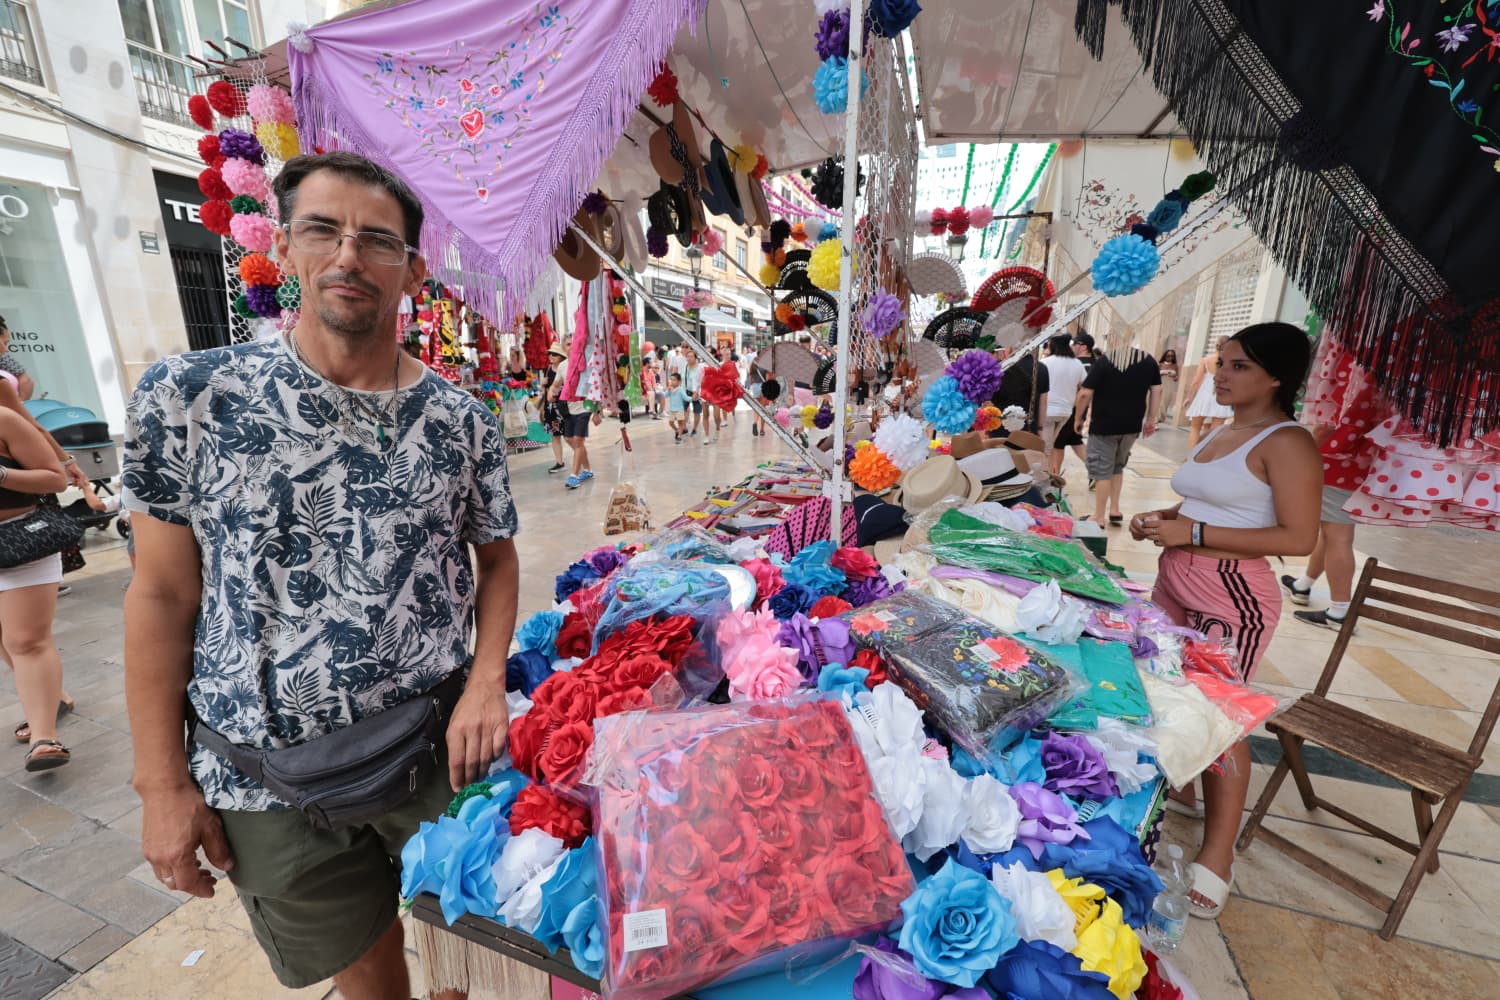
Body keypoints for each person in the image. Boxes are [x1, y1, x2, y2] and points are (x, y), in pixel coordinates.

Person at [122, 152, 519, 1000]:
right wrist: (161, 783)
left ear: (413, 270)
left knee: (481, 944)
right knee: (363, 970)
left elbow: (496, 557)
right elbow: (159, 595)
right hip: (266, 778)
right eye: (323, 230)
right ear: (288, 249)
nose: (348, 256)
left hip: (435, 750)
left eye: (376, 240)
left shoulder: (461, 422)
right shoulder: (189, 398)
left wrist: (488, 682)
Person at [1131, 322, 1320, 921]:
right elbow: (1206, 503)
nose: (1221, 374)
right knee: (1162, 686)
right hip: (1176, 578)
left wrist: (1194, 532)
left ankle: (1219, 857)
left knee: (1220, 714)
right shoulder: (1227, 429)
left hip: (1231, 592)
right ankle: (1179, 788)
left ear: (1276, 376)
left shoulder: (1288, 441)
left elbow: (1297, 535)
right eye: (1221, 363)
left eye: (1238, 366)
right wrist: (1164, 517)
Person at [1281, 340, 1390, 630]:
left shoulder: (1357, 367)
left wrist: (1310, 450)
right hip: (1367, 459)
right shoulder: (1393, 366)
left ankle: (1340, 611)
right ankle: (1304, 585)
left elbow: (1330, 421)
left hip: (1341, 459)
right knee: (1330, 529)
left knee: (1338, 535)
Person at [0, 406, 71, 771]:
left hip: (20, 541)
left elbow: (55, 479)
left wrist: (1, 474)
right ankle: (48, 696)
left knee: (25, 640)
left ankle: (45, 738)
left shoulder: (4, 419)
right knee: (5, 640)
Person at [1073, 347, 1161, 525]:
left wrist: (1078, 417)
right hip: (1132, 425)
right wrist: (1151, 418)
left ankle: (1098, 517)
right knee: (1117, 466)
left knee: (1102, 470)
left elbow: (1084, 393)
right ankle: (1114, 509)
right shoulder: (1148, 360)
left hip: (1104, 425)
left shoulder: (1105, 361)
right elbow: (1157, 390)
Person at [1041, 335, 1087, 476]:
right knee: (1051, 445)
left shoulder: (1046, 363)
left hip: (1047, 410)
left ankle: (1048, 479)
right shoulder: (1077, 364)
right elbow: (1084, 386)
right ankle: (1052, 476)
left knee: (1046, 448)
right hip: (1066, 411)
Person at [1186, 337, 1235, 449]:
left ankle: (1191, 457)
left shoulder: (1206, 360)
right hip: (1221, 396)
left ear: (1216, 345)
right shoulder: (1232, 362)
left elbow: (1196, 381)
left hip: (1204, 397)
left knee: (1195, 428)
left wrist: (1189, 397)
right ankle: (1204, 457)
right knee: (1213, 432)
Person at [990, 347, 1049, 437]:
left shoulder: (999, 368)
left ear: (1010, 348)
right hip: (1029, 427)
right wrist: (1040, 427)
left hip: (1000, 425)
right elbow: (1043, 402)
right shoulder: (1041, 368)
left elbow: (988, 401)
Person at [542, 345, 568, 473]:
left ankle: (580, 458)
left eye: (554, 354)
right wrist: (542, 384)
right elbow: (544, 390)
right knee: (556, 434)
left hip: (565, 407)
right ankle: (559, 462)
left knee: (570, 435)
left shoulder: (565, 369)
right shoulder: (547, 370)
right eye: (550, 354)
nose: (551, 356)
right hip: (552, 409)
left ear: (561, 357)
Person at [0, 319, 35, 401]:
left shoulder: (3, 358)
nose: (6, 349)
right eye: (4, 343)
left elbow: (26, 380)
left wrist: (19, 403)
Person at [683, 350, 705, 440]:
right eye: (688, 356)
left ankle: (694, 429)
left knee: (696, 411)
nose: (689, 358)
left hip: (697, 392)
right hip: (686, 391)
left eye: (691, 356)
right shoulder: (685, 366)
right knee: (683, 409)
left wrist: (696, 392)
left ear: (695, 358)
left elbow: (701, 381)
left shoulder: (700, 368)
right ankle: (684, 427)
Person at [666, 372, 690, 442]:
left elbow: (686, 398)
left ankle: (679, 436)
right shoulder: (670, 389)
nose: (672, 382)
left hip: (679, 409)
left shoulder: (680, 389)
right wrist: (668, 390)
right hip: (672, 410)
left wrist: (692, 398)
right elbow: (665, 395)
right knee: (671, 422)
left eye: (674, 380)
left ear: (679, 382)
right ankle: (677, 430)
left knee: (681, 423)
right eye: (671, 380)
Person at [1158, 349, 1180, 422]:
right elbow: (1155, 375)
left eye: (1172, 356)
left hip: (1170, 386)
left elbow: (1176, 378)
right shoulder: (1160, 364)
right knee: (1159, 402)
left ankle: (1161, 418)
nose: (1170, 357)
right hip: (1161, 383)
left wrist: (1173, 375)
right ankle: (1156, 420)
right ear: (1165, 356)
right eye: (1168, 355)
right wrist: (1162, 373)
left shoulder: (1175, 366)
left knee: (1165, 402)